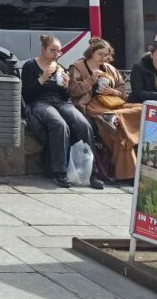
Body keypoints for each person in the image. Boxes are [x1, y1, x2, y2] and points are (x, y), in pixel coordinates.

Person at [22, 34, 104, 189]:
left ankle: (92, 173)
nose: (56, 54)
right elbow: (26, 94)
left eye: (58, 51)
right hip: (39, 103)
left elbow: (65, 97)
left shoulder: (59, 67)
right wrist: (42, 79)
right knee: (59, 124)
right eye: (52, 50)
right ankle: (59, 172)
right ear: (43, 49)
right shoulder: (30, 66)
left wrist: (66, 87)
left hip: (59, 102)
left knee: (84, 124)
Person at [68, 37, 142, 181]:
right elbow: (74, 91)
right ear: (91, 52)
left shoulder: (109, 69)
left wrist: (113, 91)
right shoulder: (78, 66)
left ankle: (115, 117)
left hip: (113, 104)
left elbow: (123, 92)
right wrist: (90, 80)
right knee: (120, 135)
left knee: (142, 109)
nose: (103, 57)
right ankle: (127, 175)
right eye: (100, 54)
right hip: (92, 104)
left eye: (106, 55)